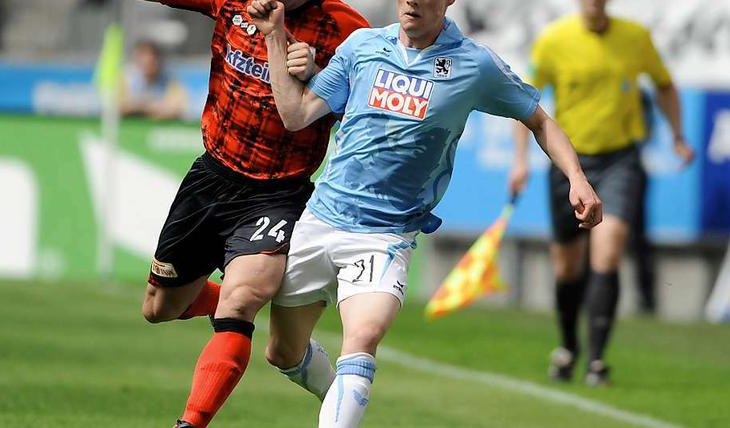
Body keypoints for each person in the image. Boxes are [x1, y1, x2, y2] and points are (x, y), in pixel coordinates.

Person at [250, 0, 601, 426]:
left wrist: (577, 179)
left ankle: (344, 404)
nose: (411, 1)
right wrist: (274, 36)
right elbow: (296, 114)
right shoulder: (361, 46)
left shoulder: (473, 64)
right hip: (321, 219)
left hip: (384, 236)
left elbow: (540, 120)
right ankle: (340, 400)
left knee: (361, 338)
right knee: (282, 352)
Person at [141, 1, 367, 427]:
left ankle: (189, 423)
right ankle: (211, 301)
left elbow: (364, 112)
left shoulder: (346, 29)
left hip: (279, 192)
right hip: (212, 176)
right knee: (159, 307)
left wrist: (322, 77)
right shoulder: (233, 2)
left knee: (241, 301)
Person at [507, 0, 695, 386]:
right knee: (567, 266)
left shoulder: (635, 37)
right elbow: (524, 102)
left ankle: (596, 360)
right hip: (569, 164)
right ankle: (568, 346)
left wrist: (677, 135)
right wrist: (520, 161)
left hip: (621, 160)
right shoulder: (554, 40)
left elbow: (664, 85)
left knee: (609, 249)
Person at [121, 39, 189, 120]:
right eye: (143, 57)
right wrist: (150, 108)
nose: (148, 61)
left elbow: (176, 110)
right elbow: (120, 108)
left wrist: (140, 108)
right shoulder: (126, 80)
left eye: (152, 59)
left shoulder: (170, 82)